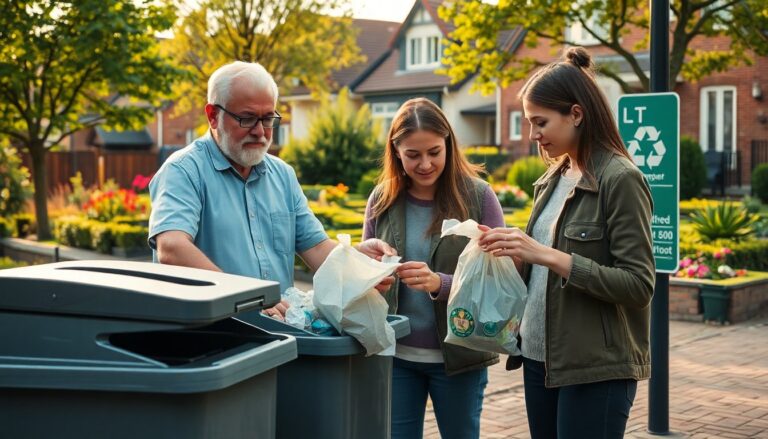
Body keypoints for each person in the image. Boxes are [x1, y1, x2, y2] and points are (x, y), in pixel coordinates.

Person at [478, 47, 655, 439]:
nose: (532, 135)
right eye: (528, 122)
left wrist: (550, 256)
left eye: (540, 122)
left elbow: (639, 285)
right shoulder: (554, 178)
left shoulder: (620, 178)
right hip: (540, 360)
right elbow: (540, 269)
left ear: (576, 114)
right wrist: (505, 251)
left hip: (595, 368)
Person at [149, 61, 393, 319]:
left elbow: (317, 248)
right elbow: (171, 247)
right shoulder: (184, 171)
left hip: (276, 335)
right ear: (212, 116)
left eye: (268, 119)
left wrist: (359, 265)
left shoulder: (282, 175)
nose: (260, 132)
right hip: (210, 336)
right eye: (247, 118)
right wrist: (242, 298)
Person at [362, 98, 505, 439]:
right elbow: (363, 275)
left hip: (459, 357)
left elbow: (500, 283)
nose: (425, 163)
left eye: (434, 152)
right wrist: (368, 272)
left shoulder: (479, 197)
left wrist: (439, 283)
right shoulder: (381, 199)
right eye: (413, 154)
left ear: (448, 145)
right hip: (395, 356)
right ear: (396, 151)